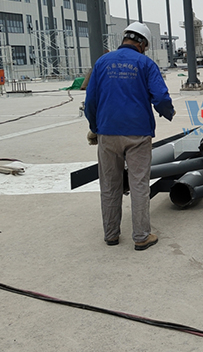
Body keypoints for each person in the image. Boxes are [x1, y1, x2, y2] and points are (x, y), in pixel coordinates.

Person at [85, 22, 175, 251]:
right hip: (138, 133)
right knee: (139, 184)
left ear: (125, 38)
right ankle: (141, 236)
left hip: (107, 132)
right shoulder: (145, 63)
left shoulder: (102, 62)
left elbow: (91, 100)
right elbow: (160, 97)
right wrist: (168, 112)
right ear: (142, 43)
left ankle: (111, 234)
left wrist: (95, 127)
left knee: (109, 185)